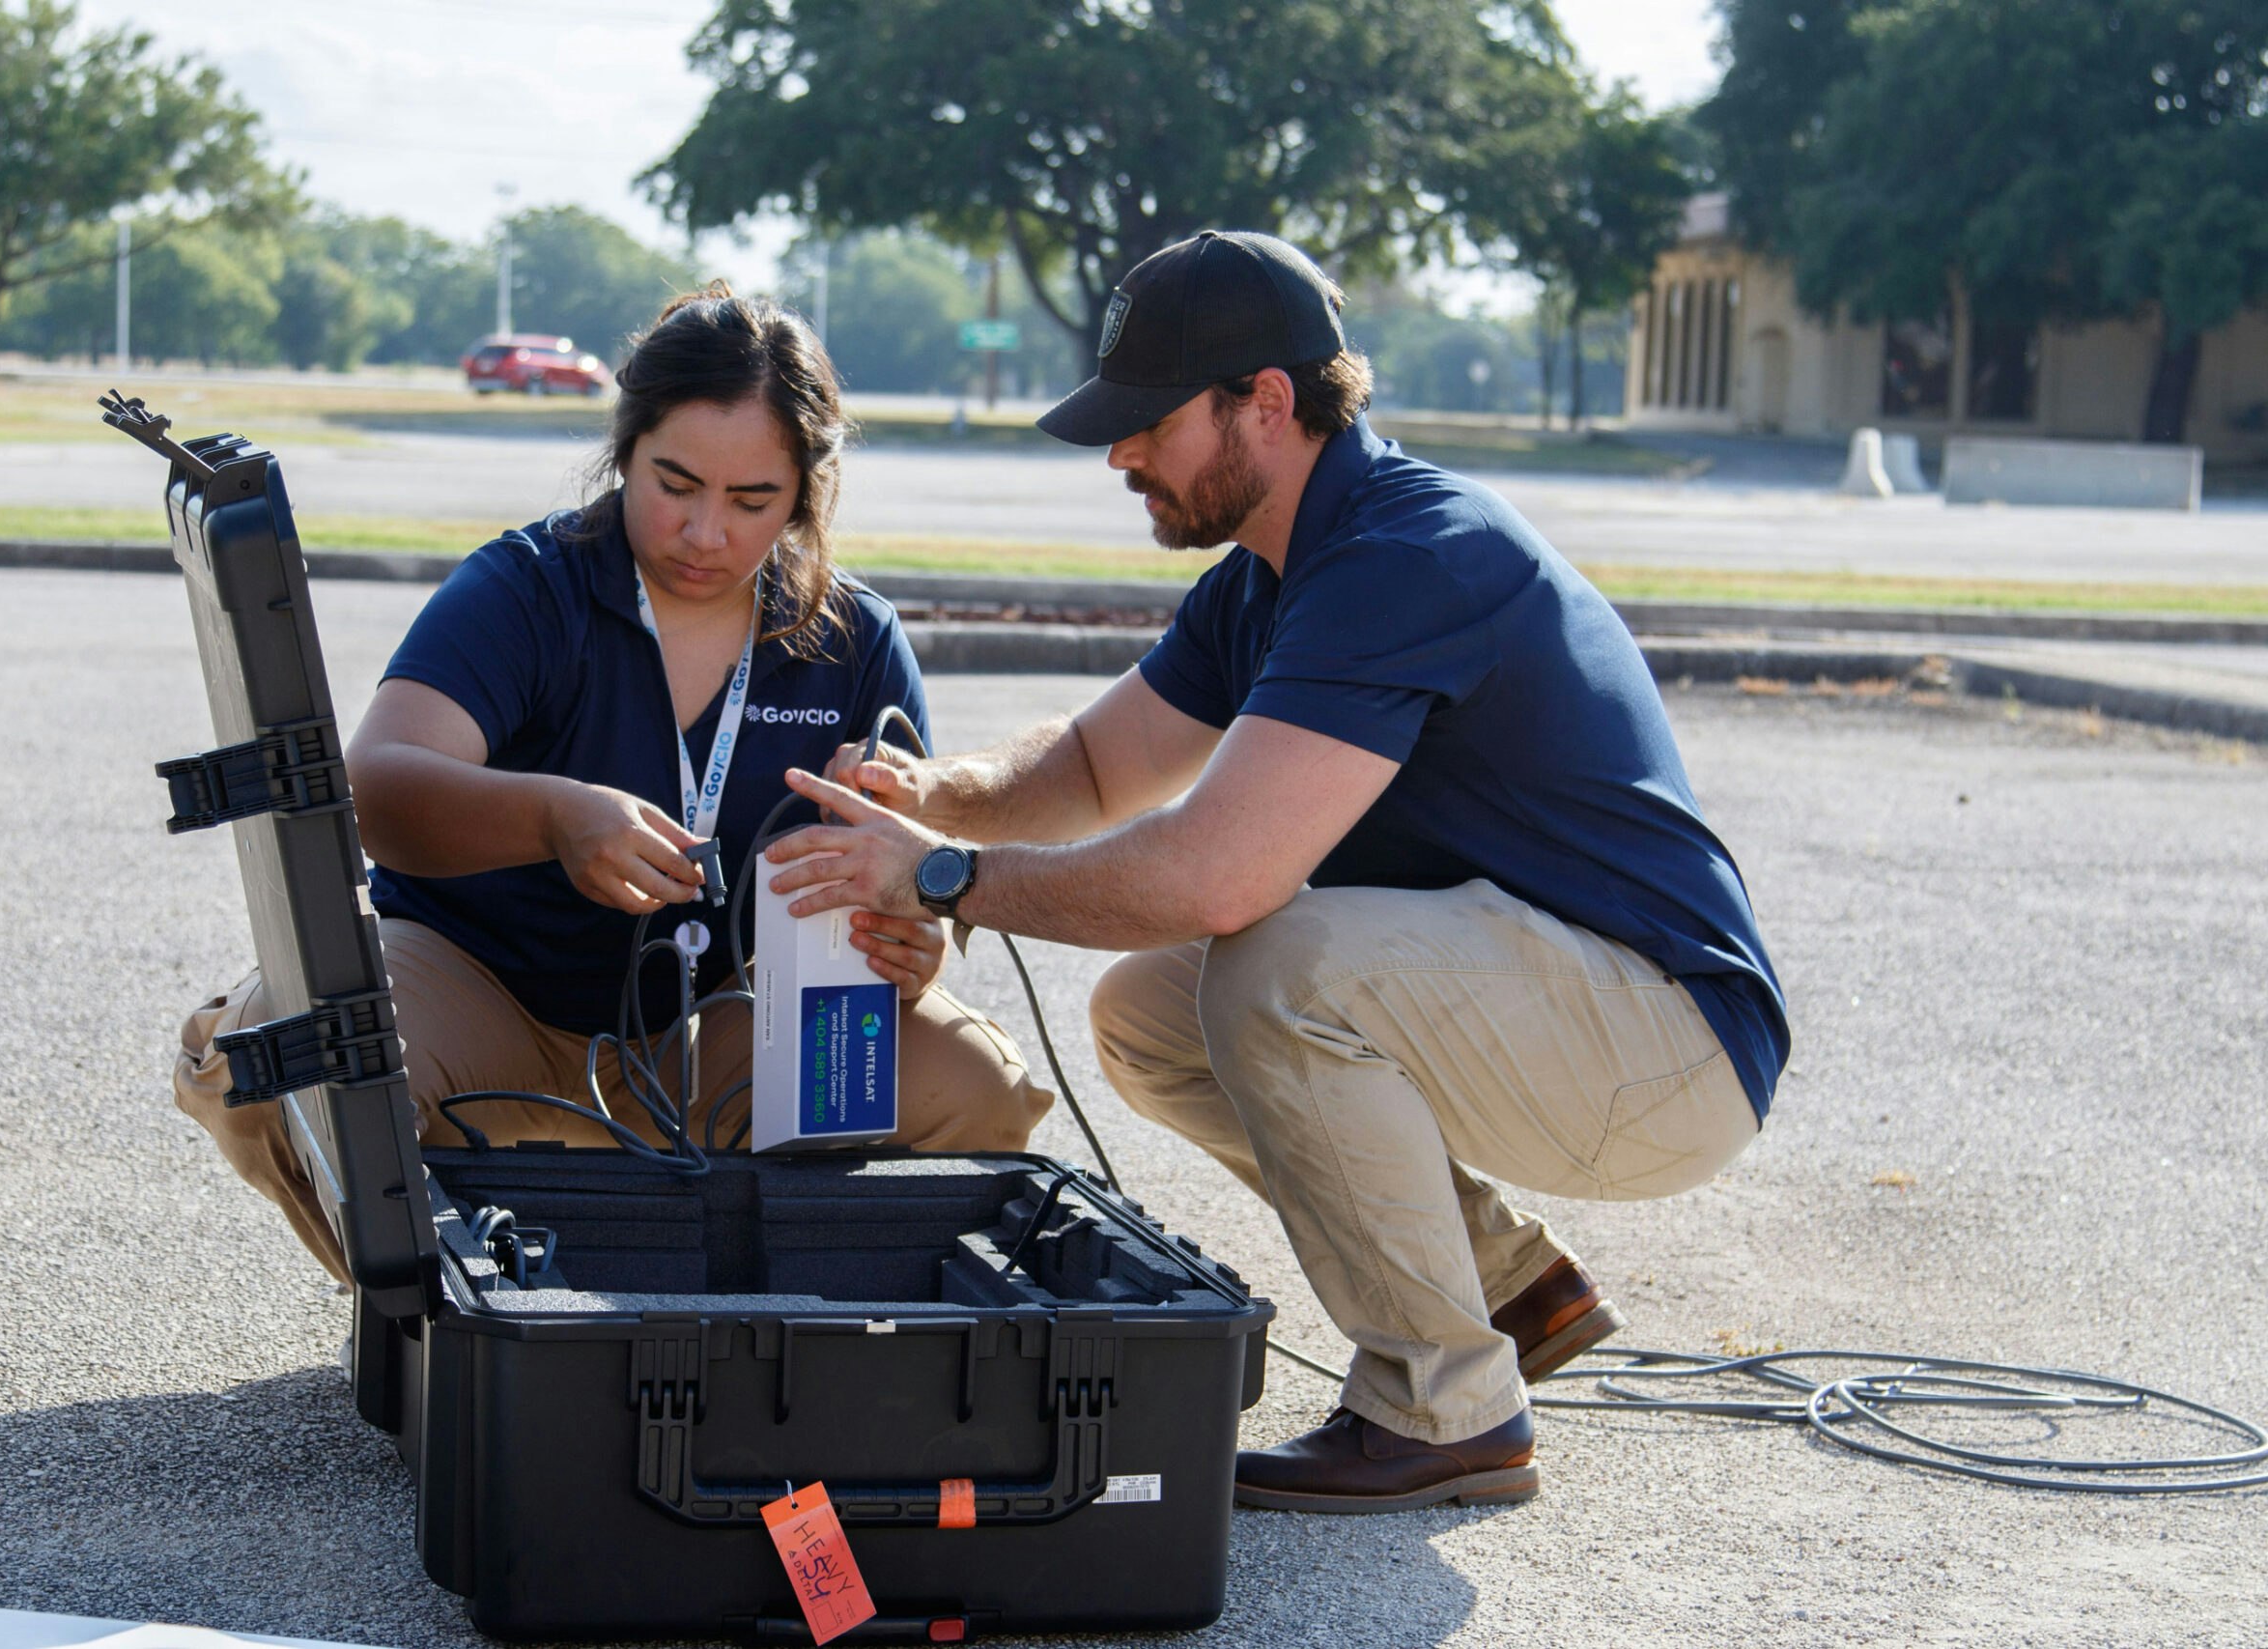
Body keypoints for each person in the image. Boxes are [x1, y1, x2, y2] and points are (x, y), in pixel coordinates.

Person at [757, 231, 1790, 1513]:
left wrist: (946, 876)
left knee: (1273, 962)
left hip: (1668, 1042)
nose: (1120, 454)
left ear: (1268, 401)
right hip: (1562, 1003)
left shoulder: (1405, 555)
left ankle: (1442, 1407)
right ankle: (1507, 1285)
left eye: (1147, 421)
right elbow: (1092, 766)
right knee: (1150, 1012)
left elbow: (1215, 877)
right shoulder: (1273, 572)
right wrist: (934, 794)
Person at [175, 284, 1051, 1284]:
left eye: (752, 500)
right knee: (288, 1055)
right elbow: (376, 787)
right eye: (673, 482)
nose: (704, 532)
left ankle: (763, 1331)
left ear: (806, 493)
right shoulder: (526, 587)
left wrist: (909, 940)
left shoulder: (852, 641)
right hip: (480, 1007)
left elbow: (892, 879)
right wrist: (553, 817)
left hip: (714, 1026)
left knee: (971, 1085)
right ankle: (440, 1319)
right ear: (624, 449)